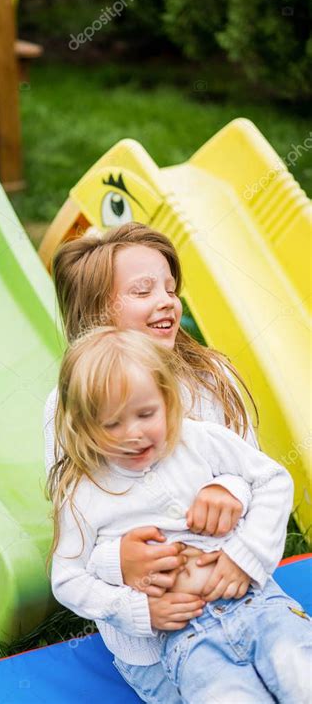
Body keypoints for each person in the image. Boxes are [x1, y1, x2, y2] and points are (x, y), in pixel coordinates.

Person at [44, 222, 263, 700]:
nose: (166, 300)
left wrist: (229, 490)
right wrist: (116, 560)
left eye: (169, 287)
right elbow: (76, 526)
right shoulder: (68, 408)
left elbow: (256, 472)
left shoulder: (212, 378)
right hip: (155, 637)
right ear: (99, 312)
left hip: (238, 594)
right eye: (143, 291)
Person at [48, 327, 310, 703]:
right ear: (84, 427)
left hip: (258, 605)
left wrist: (245, 555)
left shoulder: (199, 440)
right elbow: (68, 578)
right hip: (187, 642)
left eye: (146, 413)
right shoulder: (83, 494)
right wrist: (139, 611)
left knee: (302, 676)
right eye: (112, 424)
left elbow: (272, 480)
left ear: (167, 399)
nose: (133, 433)